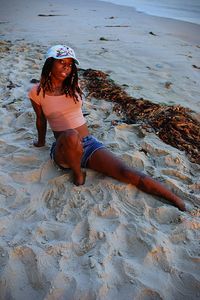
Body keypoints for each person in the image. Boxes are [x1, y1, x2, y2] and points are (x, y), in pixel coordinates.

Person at [28, 44, 186, 211]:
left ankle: (178, 202)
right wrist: (40, 142)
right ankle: (78, 174)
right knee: (70, 134)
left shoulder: (74, 86)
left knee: (125, 172)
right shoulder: (36, 92)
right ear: (49, 63)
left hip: (88, 144)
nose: (67, 67)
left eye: (70, 64)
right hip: (63, 149)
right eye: (62, 62)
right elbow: (41, 120)